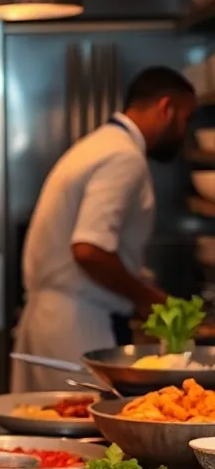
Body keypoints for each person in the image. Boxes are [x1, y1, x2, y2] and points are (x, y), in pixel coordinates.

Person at [11, 66, 197, 392]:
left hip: (57, 318)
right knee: (85, 433)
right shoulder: (123, 157)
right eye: (184, 119)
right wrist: (150, 298)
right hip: (80, 325)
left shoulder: (99, 145)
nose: (184, 132)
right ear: (166, 108)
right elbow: (89, 249)